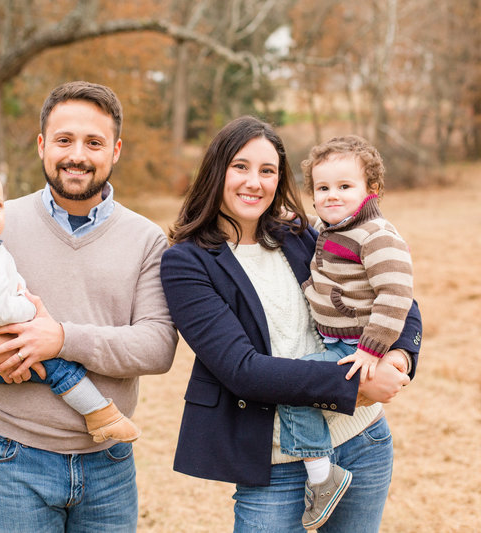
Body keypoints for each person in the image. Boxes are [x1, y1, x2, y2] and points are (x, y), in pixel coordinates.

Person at [0, 81, 178, 532]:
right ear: (42, 146)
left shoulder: (146, 238)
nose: (77, 154)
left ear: (115, 151)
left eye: (94, 142)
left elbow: (156, 347)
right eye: (64, 140)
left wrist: (62, 339)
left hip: (107, 460)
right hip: (9, 454)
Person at [159, 116, 421, 533]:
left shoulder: (300, 233)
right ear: (215, 170)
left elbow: (388, 291)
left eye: (268, 171)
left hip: (360, 442)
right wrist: (353, 386)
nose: (254, 182)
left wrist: (402, 356)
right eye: (240, 166)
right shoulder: (186, 262)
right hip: (275, 463)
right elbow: (242, 370)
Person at [0, 161, 140, 444]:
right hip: (5, 331)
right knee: (57, 368)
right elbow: (0, 313)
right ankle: (100, 414)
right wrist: (30, 308)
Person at [275, 135, 414, 529]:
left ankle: (322, 478)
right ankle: (324, 471)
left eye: (344, 186)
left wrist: (373, 351)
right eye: (322, 188)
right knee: (300, 383)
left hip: (356, 347)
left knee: (295, 387)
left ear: (371, 189)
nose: (332, 196)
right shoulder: (334, 227)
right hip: (338, 339)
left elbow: (396, 294)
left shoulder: (377, 235)